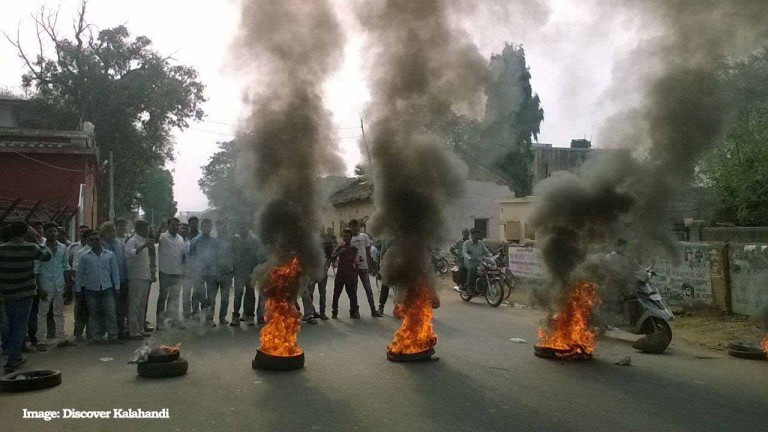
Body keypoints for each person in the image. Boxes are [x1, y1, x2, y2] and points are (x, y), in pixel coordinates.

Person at [0, 221, 51, 373]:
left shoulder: (2, 249)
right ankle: (12, 361)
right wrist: (37, 239)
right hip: (25, 293)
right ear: (25, 233)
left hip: (7, 293)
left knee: (10, 324)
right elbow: (47, 256)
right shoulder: (31, 248)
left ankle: (13, 353)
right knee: (20, 327)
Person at [75, 230, 123, 344]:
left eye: (97, 239)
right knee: (94, 314)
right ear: (89, 242)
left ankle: (113, 335)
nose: (95, 241)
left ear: (101, 240)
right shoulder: (84, 257)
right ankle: (97, 336)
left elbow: (115, 272)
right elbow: (79, 274)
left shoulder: (109, 255)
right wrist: (78, 290)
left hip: (107, 288)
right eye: (92, 240)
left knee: (110, 312)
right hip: (91, 289)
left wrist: (117, 287)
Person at [34, 223, 76, 351]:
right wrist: (39, 288)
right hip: (45, 284)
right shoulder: (40, 248)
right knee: (42, 312)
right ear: (45, 233)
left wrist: (68, 284)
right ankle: (41, 341)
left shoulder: (63, 248)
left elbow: (65, 266)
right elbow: (36, 269)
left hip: (59, 284)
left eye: (54, 231)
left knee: (59, 312)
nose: (53, 233)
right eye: (50, 231)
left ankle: (61, 338)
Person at [231, 221, 265, 326]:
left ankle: (250, 315)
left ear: (248, 229)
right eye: (240, 228)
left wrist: (258, 270)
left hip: (251, 272)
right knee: (238, 294)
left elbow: (259, 256)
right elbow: (231, 254)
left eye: (244, 228)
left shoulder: (255, 241)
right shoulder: (235, 241)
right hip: (239, 272)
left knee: (250, 294)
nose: (242, 230)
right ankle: (235, 316)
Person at [155, 217, 187, 329]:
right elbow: (154, 239)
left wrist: (184, 270)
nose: (175, 227)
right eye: (173, 225)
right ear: (168, 226)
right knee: (162, 298)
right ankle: (159, 323)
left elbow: (183, 256)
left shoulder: (180, 239)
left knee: (174, 299)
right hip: (165, 272)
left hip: (177, 273)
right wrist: (160, 226)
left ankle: (173, 321)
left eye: (177, 225)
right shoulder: (163, 237)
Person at [348, 220, 383, 317]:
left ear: (358, 227)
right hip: (353, 268)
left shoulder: (364, 237)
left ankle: (373, 309)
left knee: (368, 288)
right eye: (353, 226)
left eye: (356, 226)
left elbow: (368, 252)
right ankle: (355, 310)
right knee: (353, 290)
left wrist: (370, 265)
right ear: (350, 227)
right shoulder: (348, 238)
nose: (355, 228)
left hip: (364, 267)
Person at [101, 221, 129, 339]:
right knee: (110, 309)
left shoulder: (119, 245)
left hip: (121, 280)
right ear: (105, 233)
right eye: (110, 230)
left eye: (113, 230)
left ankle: (120, 331)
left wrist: (126, 279)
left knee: (121, 308)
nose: (113, 232)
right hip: (108, 281)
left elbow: (124, 262)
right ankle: (111, 333)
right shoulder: (102, 246)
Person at [125, 221, 153, 340]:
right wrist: (143, 247)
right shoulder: (133, 241)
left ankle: (141, 329)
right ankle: (133, 331)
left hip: (145, 277)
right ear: (141, 229)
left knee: (142, 306)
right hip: (135, 277)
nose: (148, 231)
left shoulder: (144, 240)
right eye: (147, 228)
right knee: (135, 306)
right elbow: (129, 254)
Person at [189, 218, 218, 324]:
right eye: (204, 226)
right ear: (201, 228)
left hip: (211, 273)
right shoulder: (195, 241)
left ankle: (209, 319)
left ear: (211, 228)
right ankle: (195, 316)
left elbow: (218, 257)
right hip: (198, 273)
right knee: (197, 295)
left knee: (211, 297)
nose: (206, 228)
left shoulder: (215, 242)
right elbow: (191, 257)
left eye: (208, 226)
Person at [330, 228, 361, 319]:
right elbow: (332, 257)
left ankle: (353, 312)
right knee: (336, 294)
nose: (346, 238)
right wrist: (339, 252)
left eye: (348, 236)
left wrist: (355, 276)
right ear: (342, 238)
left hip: (350, 276)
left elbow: (357, 263)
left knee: (352, 295)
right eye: (344, 236)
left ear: (351, 237)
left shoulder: (354, 249)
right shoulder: (340, 247)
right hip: (340, 275)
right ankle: (334, 312)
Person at [71, 228, 93, 342]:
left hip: (94, 286)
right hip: (83, 285)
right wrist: (78, 287)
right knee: (81, 311)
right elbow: (76, 271)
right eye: (90, 238)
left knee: (92, 310)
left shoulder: (100, 251)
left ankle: (90, 333)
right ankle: (78, 334)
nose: (92, 240)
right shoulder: (81, 253)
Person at [210, 219, 233, 325]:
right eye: (219, 225)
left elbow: (235, 255)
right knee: (212, 297)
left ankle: (222, 317)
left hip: (227, 272)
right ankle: (210, 318)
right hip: (214, 273)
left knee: (225, 297)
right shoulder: (213, 241)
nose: (222, 227)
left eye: (224, 225)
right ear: (216, 227)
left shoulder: (231, 240)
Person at [463, 228, 492, 294]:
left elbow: (486, 251)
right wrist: (469, 257)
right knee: (473, 270)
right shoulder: (467, 243)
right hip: (470, 262)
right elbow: (464, 252)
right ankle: (470, 288)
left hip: (480, 262)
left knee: (487, 270)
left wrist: (491, 257)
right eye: (476, 235)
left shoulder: (481, 243)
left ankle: (484, 286)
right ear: (472, 235)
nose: (477, 237)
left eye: (479, 235)